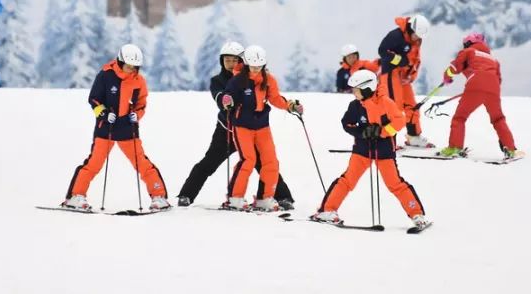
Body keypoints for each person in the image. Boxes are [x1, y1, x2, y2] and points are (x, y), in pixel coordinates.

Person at [176, 42, 295, 209]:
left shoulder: (252, 77)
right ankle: (186, 195)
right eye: (227, 60)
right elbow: (219, 97)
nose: (231, 63)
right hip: (226, 130)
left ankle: (282, 196)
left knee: (263, 162)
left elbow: (269, 96)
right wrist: (226, 100)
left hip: (250, 130)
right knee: (210, 162)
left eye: (235, 60)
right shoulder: (218, 80)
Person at [312, 69, 430, 231]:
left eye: (356, 90)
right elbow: (346, 123)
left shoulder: (386, 103)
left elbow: (399, 121)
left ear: (367, 89)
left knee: (395, 184)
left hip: (384, 152)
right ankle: (326, 211)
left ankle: (417, 215)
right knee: (347, 180)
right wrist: (362, 132)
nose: (354, 94)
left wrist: (381, 131)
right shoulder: (355, 106)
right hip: (362, 150)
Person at [63, 44, 169, 212]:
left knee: (142, 164)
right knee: (94, 164)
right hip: (106, 128)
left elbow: (141, 103)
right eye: (128, 66)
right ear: (120, 61)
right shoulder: (105, 76)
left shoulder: (139, 80)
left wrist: (137, 115)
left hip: (128, 129)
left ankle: (159, 197)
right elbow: (94, 99)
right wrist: (104, 114)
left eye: (134, 67)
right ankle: (75, 197)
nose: (131, 69)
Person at [220, 45, 302, 211]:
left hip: (262, 125)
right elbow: (228, 96)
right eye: (253, 66)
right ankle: (235, 198)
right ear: (247, 64)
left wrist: (290, 106)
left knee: (271, 161)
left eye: (259, 66)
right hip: (242, 125)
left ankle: (264, 198)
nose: (256, 69)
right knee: (248, 160)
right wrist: (227, 101)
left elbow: (275, 98)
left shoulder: (268, 79)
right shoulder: (238, 80)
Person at [438, 33, 519, 159]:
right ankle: (511, 149)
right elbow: (498, 79)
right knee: (498, 119)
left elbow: (454, 67)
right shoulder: (493, 60)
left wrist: (447, 77)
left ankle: (455, 148)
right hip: (494, 88)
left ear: (469, 43)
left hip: (475, 85)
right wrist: (486, 89)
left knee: (459, 118)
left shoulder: (468, 52)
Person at [376, 14, 433, 147]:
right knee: (393, 108)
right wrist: (399, 60)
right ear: (410, 29)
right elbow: (382, 51)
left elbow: (415, 60)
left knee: (412, 106)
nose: (418, 39)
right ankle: (387, 140)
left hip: (403, 77)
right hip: (390, 73)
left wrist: (411, 75)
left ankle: (414, 136)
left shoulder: (416, 40)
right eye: (416, 36)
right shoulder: (395, 36)